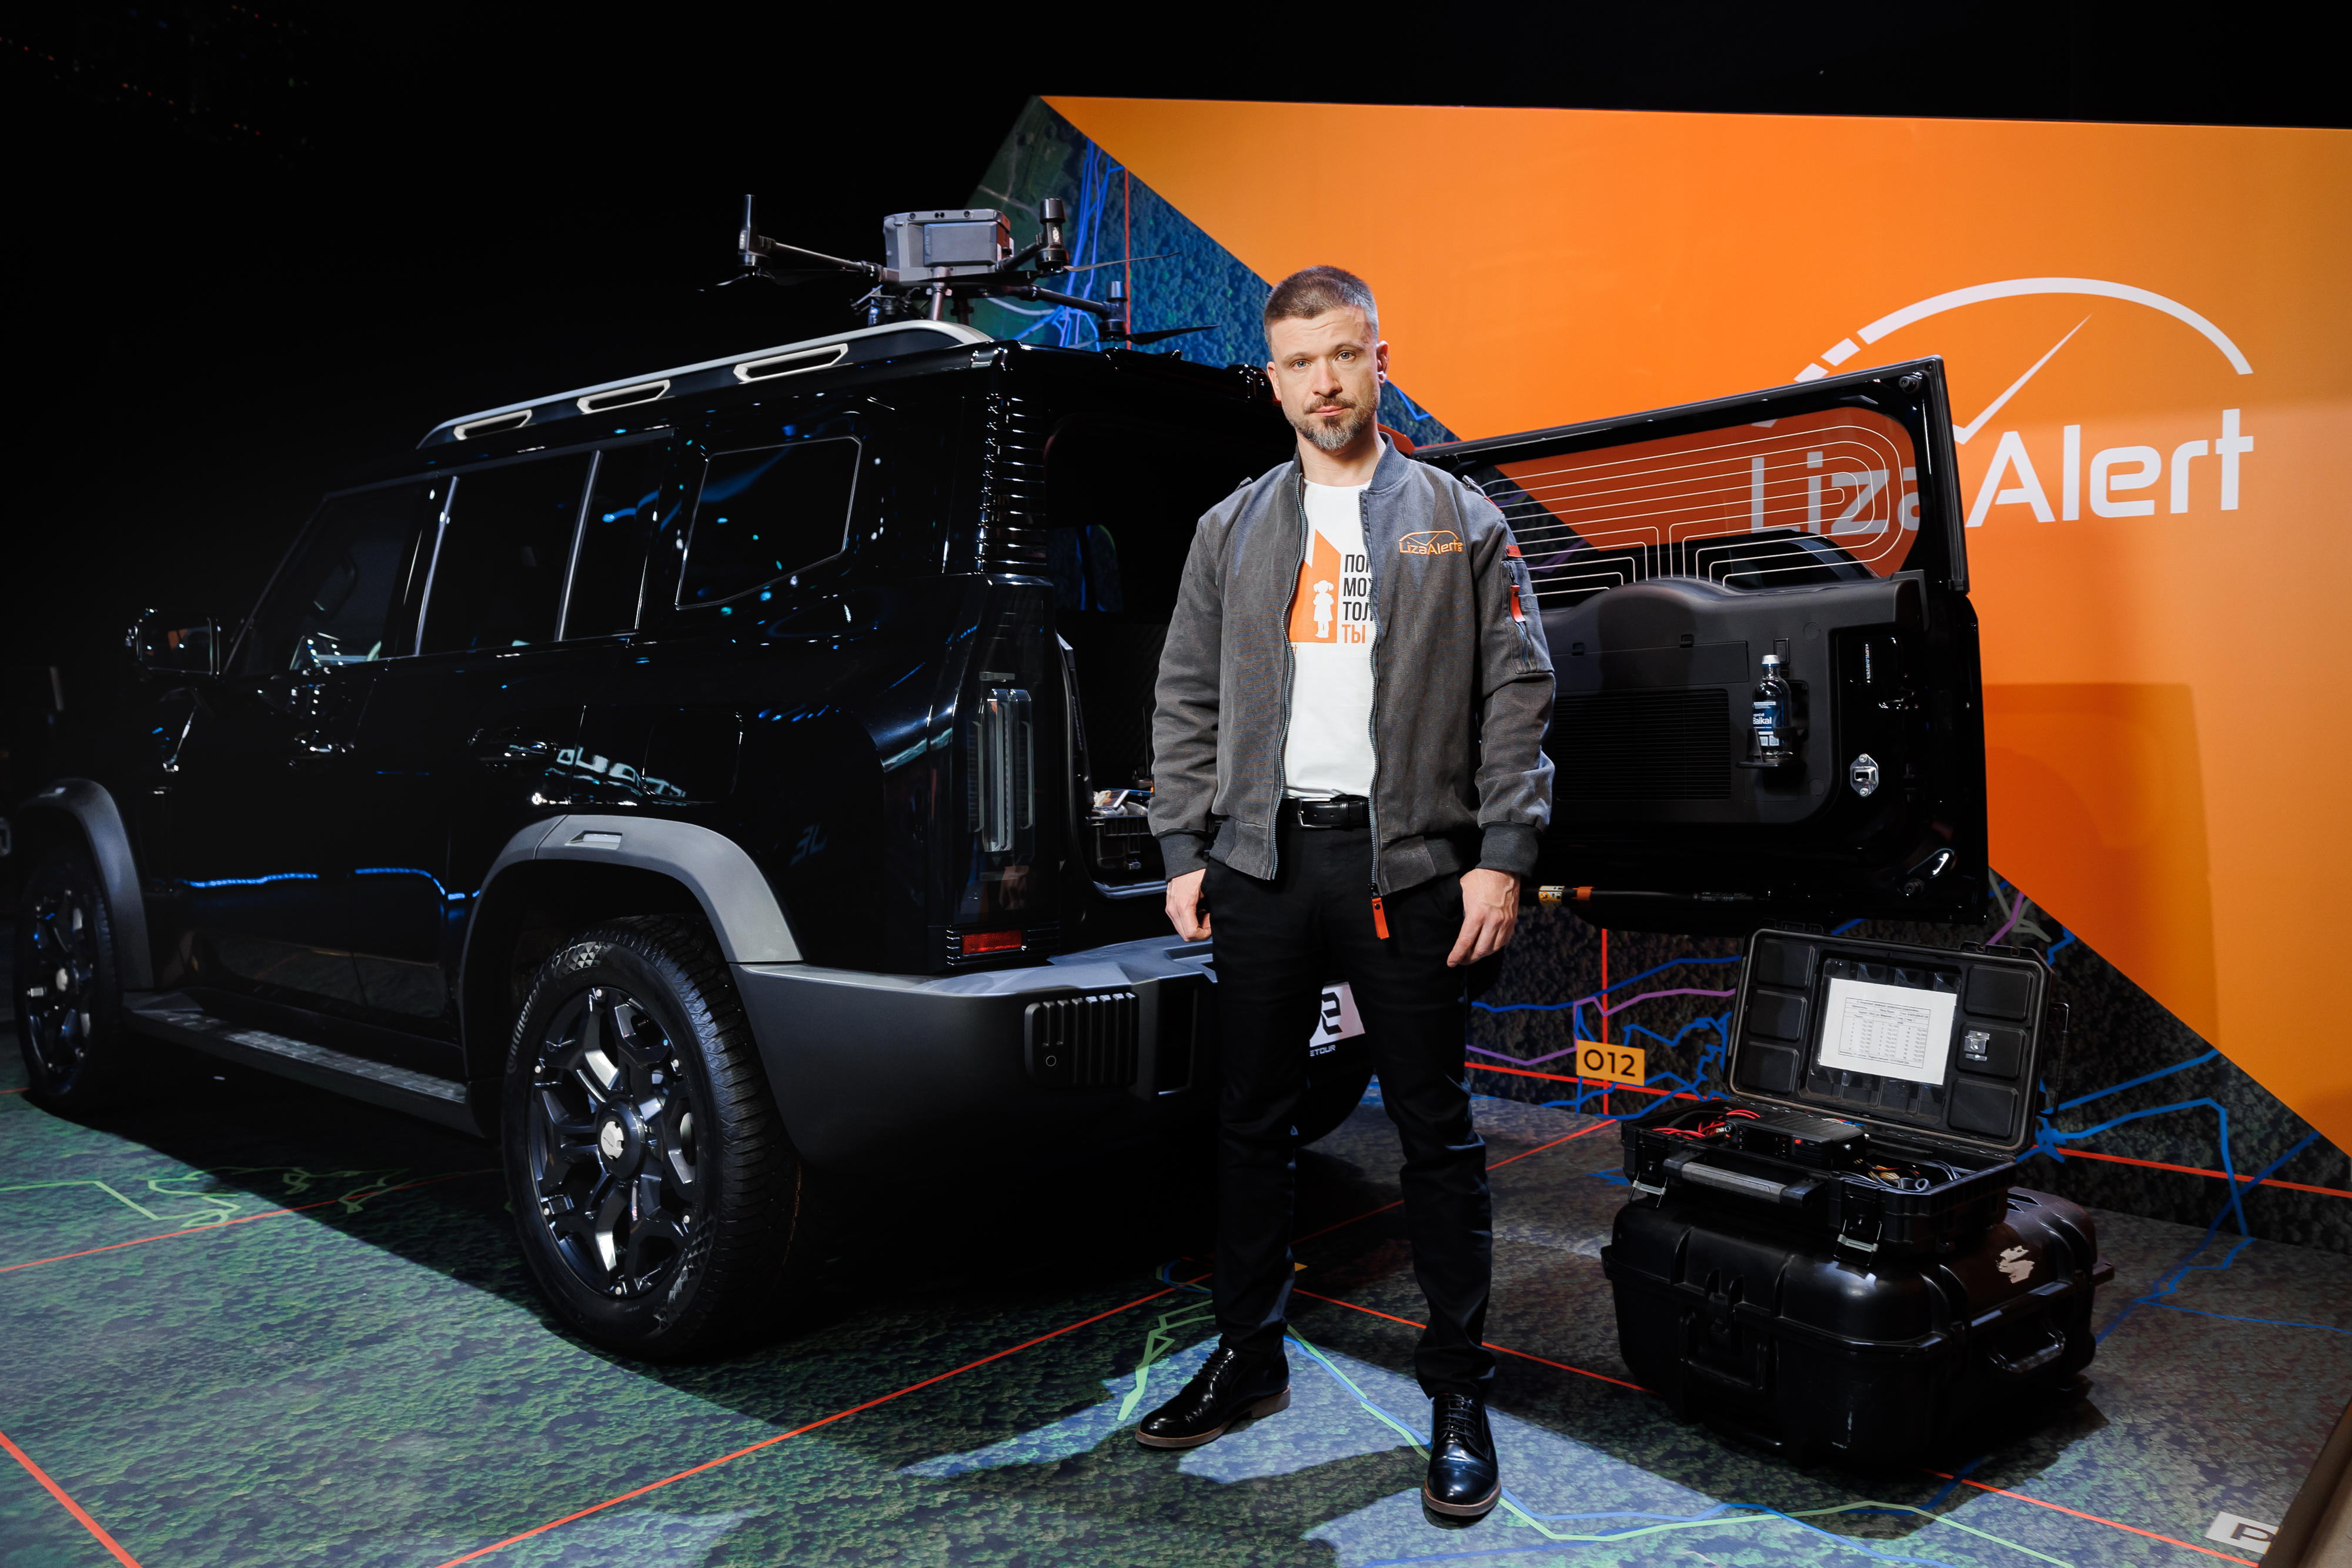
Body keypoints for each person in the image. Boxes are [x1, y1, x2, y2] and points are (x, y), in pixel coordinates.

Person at [1136, 266, 1555, 1520]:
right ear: (1273, 382)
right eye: (1298, 362)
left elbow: (1517, 695)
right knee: (1250, 1123)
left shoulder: (1458, 520)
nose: (1323, 382)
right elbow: (1185, 694)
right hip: (1264, 863)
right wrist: (1185, 848)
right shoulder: (1228, 529)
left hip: (1408, 866)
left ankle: (1457, 1389)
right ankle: (1248, 1353)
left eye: (1342, 355)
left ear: (1379, 360)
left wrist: (1501, 855)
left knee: (1434, 1132)